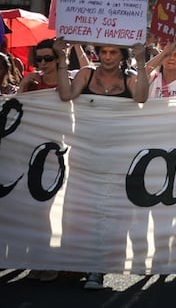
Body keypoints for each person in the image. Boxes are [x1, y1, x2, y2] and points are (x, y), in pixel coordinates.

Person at [52, 37, 148, 290]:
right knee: (81, 211)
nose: (107, 57)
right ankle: (76, 263)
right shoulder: (86, 74)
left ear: (121, 55)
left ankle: (98, 269)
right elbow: (65, 94)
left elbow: (142, 97)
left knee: (111, 215)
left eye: (113, 52)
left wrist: (141, 60)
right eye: (103, 51)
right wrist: (62, 59)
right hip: (84, 157)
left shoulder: (130, 78)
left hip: (116, 159)